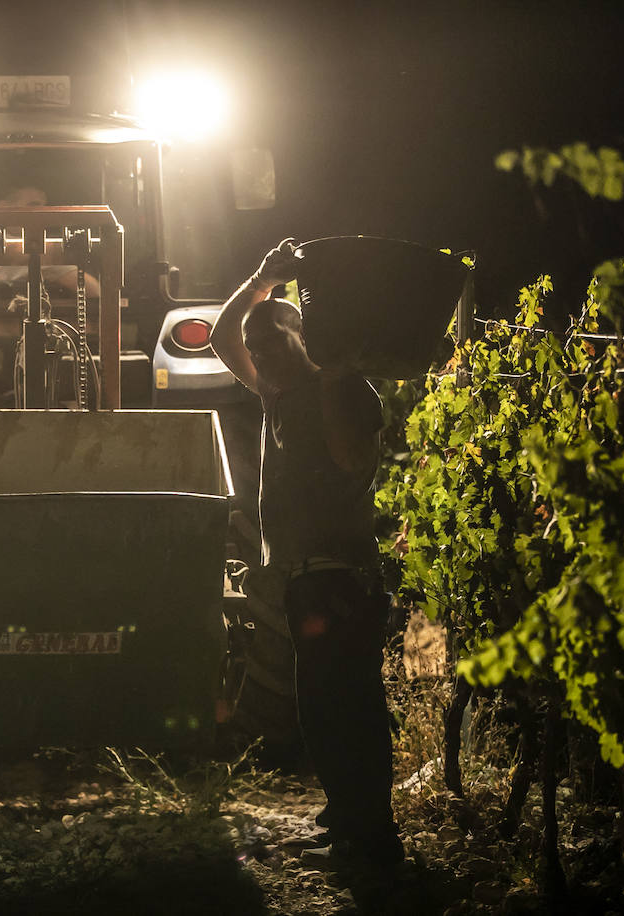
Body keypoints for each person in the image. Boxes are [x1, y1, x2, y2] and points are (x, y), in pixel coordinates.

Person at [210, 241, 402, 871]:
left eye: (272, 341)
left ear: (303, 336)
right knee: (322, 712)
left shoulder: (343, 388)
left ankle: (371, 838)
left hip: (340, 579)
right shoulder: (276, 395)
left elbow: (354, 462)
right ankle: (347, 822)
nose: (259, 352)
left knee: (348, 708)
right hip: (301, 581)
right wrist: (262, 279)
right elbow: (220, 335)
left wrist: (333, 375)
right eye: (257, 345)